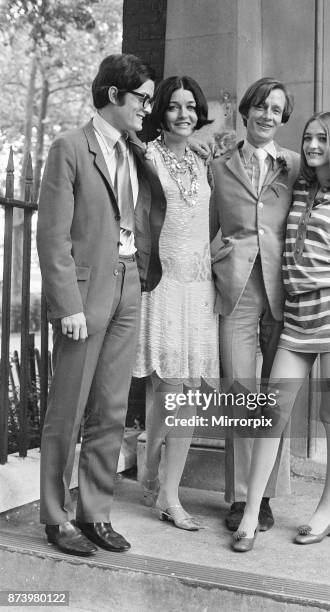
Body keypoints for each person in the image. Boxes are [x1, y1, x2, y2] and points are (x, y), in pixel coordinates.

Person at [231, 111, 330, 552]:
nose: (312, 146)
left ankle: (327, 511)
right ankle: (248, 513)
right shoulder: (300, 188)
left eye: (321, 139)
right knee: (272, 414)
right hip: (297, 315)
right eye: (308, 138)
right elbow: (264, 159)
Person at [37, 54, 166, 556]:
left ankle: (95, 514)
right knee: (67, 410)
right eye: (142, 98)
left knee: (112, 408)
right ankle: (54, 516)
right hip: (85, 295)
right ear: (114, 94)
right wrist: (66, 304)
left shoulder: (135, 151)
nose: (147, 109)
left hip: (128, 284)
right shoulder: (69, 147)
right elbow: (52, 236)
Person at [209, 78, 301, 533]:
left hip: (285, 289)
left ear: (284, 117)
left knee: (276, 397)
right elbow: (200, 227)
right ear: (247, 111)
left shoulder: (297, 165)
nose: (267, 114)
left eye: (276, 109)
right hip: (237, 289)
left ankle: (264, 494)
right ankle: (242, 497)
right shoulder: (219, 165)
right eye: (261, 106)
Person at [133, 76, 219, 530]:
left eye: (191, 106)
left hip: (199, 286)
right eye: (173, 107)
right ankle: (151, 466)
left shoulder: (206, 162)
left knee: (188, 391)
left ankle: (169, 494)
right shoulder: (145, 158)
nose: (184, 114)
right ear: (160, 113)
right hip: (162, 284)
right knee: (164, 389)